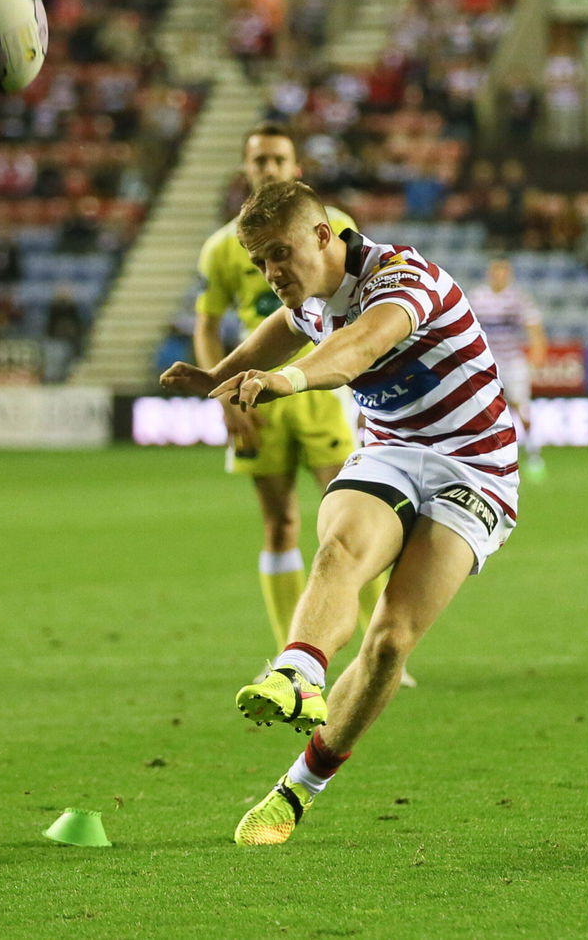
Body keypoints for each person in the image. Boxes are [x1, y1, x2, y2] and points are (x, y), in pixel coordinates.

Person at [162, 180, 519, 845]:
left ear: (324, 236)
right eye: (260, 261)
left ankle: (299, 788)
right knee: (341, 548)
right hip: (394, 451)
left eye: (280, 253)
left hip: (476, 467)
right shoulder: (312, 297)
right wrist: (224, 377)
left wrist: (285, 382)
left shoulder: (404, 279)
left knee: (390, 641)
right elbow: (287, 328)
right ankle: (299, 669)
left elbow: (356, 349)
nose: (272, 273)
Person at [193, 124, 397, 671]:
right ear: (246, 169)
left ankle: (382, 648)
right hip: (255, 395)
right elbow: (208, 324)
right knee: (279, 521)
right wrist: (222, 394)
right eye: (259, 160)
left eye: (278, 159)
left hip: (319, 387)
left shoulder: (333, 225)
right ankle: (291, 652)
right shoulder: (222, 247)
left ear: (296, 168)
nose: (268, 169)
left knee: (356, 517)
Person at [470, 258, 548, 480]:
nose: (499, 276)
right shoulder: (477, 298)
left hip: (513, 360)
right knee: (483, 407)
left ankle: (533, 453)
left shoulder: (518, 299)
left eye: (503, 273)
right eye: (496, 272)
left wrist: (536, 354)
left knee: (520, 407)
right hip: (486, 361)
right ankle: (485, 455)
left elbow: (534, 327)